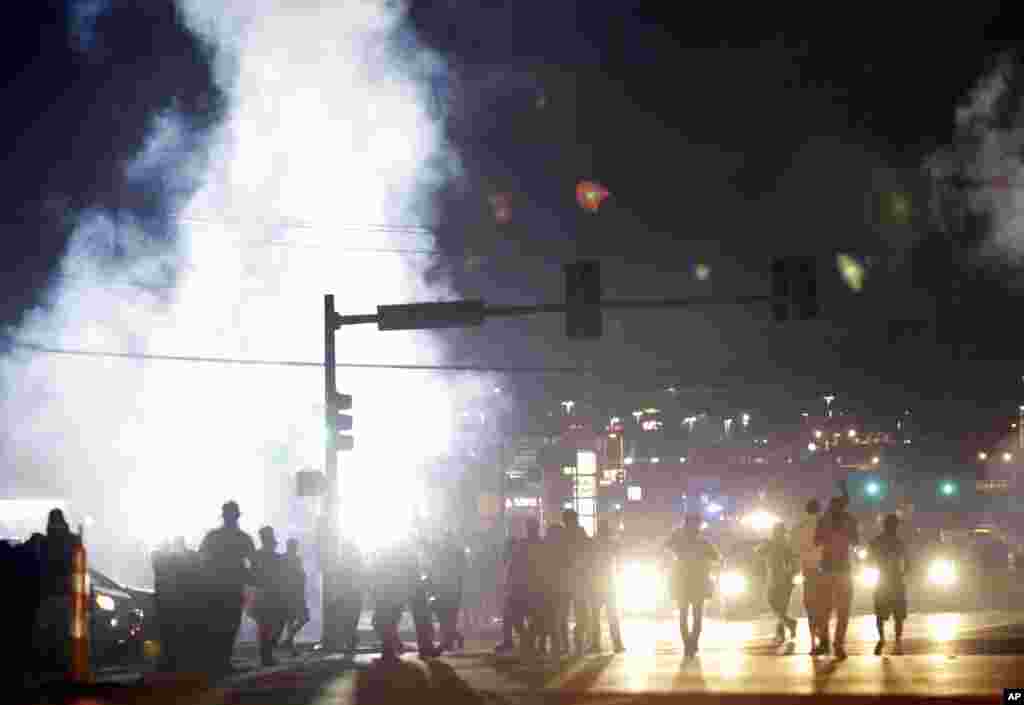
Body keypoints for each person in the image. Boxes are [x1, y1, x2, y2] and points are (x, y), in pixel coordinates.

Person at [199, 501, 256, 674]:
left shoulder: (213, 536)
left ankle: (215, 661)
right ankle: (222, 661)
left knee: (217, 623)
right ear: (237, 516)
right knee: (229, 624)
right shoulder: (243, 538)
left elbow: (200, 558)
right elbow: (254, 563)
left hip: (214, 587)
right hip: (232, 587)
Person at [33, 509, 82, 673]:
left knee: (49, 636)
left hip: (49, 595)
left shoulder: (45, 542)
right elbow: (78, 569)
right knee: (64, 637)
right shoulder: (72, 540)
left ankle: (52, 669)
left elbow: (40, 566)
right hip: (65, 595)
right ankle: (65, 669)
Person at [666, 515, 720, 659]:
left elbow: (666, 546)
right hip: (694, 584)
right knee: (695, 617)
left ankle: (689, 645)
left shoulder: (681, 541)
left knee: (685, 617)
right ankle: (691, 644)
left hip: (686, 584)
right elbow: (716, 557)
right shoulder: (702, 543)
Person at [814, 495, 859, 659]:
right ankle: (837, 645)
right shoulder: (848, 520)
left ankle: (826, 642)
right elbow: (855, 541)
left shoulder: (824, 520)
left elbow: (816, 541)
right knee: (843, 610)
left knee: (825, 609)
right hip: (842, 569)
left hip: (828, 569)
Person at [869, 514, 910, 656]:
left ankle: (882, 639)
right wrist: (902, 573)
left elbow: (869, 560)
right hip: (896, 580)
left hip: (883, 580)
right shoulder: (899, 543)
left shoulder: (876, 542)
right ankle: (897, 640)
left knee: (880, 614)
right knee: (898, 614)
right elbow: (909, 563)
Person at [250, 527, 290, 667]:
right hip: (271, 594)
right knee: (273, 623)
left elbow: (253, 574)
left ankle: (266, 654)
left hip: (263, 594)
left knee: (266, 626)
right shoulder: (275, 558)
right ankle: (267, 655)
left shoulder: (257, 555)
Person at [792, 499, 823, 653]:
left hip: (808, 571)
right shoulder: (825, 525)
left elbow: (796, 551)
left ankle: (813, 643)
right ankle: (823, 637)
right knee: (823, 605)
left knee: (811, 606)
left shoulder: (800, 528)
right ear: (818, 509)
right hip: (825, 570)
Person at [589, 520, 624, 654]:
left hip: (596, 583)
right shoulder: (612, 542)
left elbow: (588, 562)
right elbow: (619, 556)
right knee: (612, 614)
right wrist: (619, 568)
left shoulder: (593, 542)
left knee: (596, 616)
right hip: (608, 583)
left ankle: (596, 644)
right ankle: (617, 644)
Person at [561, 509, 593, 655]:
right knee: (581, 614)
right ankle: (576, 640)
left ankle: (567, 643)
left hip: (566, 581)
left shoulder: (564, 535)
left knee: (564, 614)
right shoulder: (581, 534)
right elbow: (589, 554)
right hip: (578, 580)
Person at [761, 522, 798, 644]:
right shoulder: (777, 545)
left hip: (780, 581)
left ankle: (782, 632)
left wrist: (792, 574)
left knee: (778, 607)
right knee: (779, 608)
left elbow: (792, 563)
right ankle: (789, 625)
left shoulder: (781, 546)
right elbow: (759, 551)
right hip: (781, 580)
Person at [432, 529, 468, 652]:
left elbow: (462, 570)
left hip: (451, 589)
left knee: (448, 618)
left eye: (447, 538)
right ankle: (454, 639)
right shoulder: (449, 552)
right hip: (447, 588)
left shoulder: (455, 552)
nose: (445, 541)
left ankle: (448, 642)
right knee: (446, 618)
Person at [280, 538, 310, 656]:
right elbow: (300, 575)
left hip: (289, 593)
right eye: (295, 546)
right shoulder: (295, 559)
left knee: (291, 621)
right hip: (294, 593)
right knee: (301, 618)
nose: (296, 548)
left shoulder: (285, 558)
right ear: (292, 546)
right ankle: (289, 644)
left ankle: (289, 643)